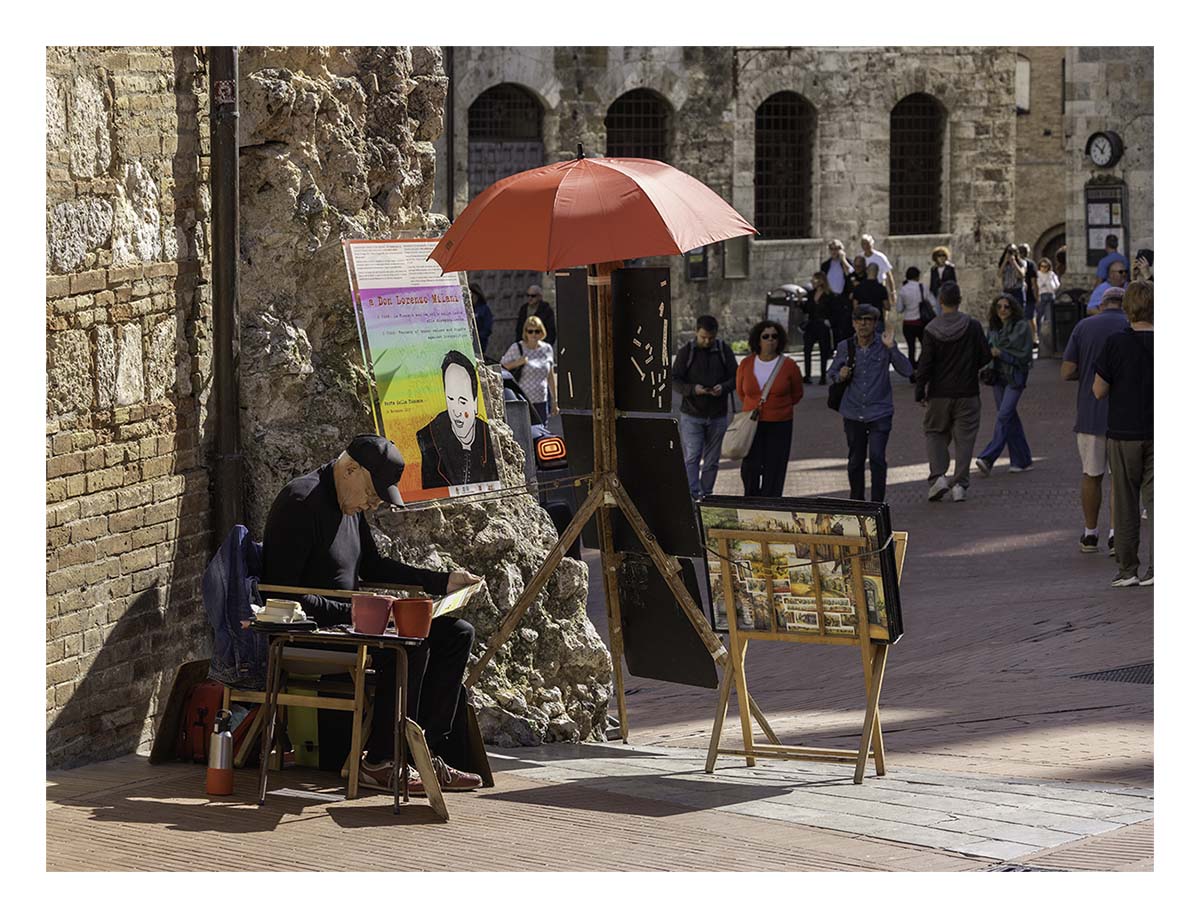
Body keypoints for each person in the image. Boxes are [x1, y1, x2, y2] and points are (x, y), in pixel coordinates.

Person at [261, 435, 484, 793]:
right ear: (350, 469)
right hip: (305, 632)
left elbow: (374, 564)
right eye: (371, 493)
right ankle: (382, 760)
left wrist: (442, 581)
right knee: (410, 645)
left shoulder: (350, 505)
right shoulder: (301, 502)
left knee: (458, 632)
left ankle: (422, 750)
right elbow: (279, 593)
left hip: (353, 625)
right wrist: (365, 613)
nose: (371, 504)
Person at [1093, 281, 1153, 587]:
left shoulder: (1116, 343)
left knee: (1126, 501)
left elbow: (1099, 390)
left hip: (1124, 431)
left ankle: (1128, 568)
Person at [1061, 284, 1129, 554]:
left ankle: (1091, 534)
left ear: (1102, 304)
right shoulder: (1133, 325)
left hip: (1090, 413)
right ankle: (1116, 534)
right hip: (1126, 415)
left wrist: (1089, 374)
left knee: (1092, 475)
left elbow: (1067, 371)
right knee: (1119, 479)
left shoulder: (1083, 327)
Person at [913, 282, 992, 503]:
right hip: (967, 391)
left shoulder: (931, 329)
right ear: (959, 300)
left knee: (934, 432)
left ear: (941, 301)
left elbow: (925, 364)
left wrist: (920, 390)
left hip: (939, 393)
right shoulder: (973, 326)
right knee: (965, 439)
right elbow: (985, 356)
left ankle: (938, 476)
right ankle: (960, 484)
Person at [827, 304, 912, 502]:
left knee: (877, 458)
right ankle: (857, 501)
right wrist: (839, 375)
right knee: (855, 461)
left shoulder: (885, 344)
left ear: (875, 323)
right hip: (853, 412)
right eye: (859, 320)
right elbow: (830, 374)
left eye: (868, 320)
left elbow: (907, 371)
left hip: (880, 411)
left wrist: (892, 348)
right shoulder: (844, 346)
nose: (863, 324)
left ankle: (877, 503)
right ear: (853, 323)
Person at [735, 320, 804, 497]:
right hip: (752, 423)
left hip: (779, 424)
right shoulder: (746, 364)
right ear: (758, 340)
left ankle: (771, 504)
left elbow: (797, 394)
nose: (770, 340)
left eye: (774, 336)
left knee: (774, 468)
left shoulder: (789, 366)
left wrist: (777, 406)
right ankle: (751, 502)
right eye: (765, 336)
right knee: (750, 467)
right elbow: (742, 392)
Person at [671, 315, 737, 500]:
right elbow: (674, 379)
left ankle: (707, 494)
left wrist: (723, 387)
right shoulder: (687, 352)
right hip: (692, 414)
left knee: (712, 460)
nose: (707, 341)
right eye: (703, 337)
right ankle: (692, 494)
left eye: (710, 338)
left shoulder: (724, 350)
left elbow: (736, 377)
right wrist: (693, 389)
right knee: (692, 456)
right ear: (696, 333)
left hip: (717, 414)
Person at [415, 350, 499, 489]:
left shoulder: (490, 438)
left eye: (463, 401)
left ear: (475, 403)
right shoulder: (429, 437)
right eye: (451, 399)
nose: (456, 412)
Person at [973, 294, 1034, 476]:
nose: (1002, 310)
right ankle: (1022, 460)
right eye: (999, 306)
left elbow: (1024, 356)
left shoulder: (1021, 327)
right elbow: (986, 350)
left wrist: (1001, 354)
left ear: (1013, 308)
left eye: (1006, 307)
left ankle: (988, 457)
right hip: (998, 378)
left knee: (1003, 416)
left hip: (1015, 378)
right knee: (1009, 418)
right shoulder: (994, 328)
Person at [501, 315, 558, 422]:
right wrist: (517, 363)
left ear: (542, 332)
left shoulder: (547, 349)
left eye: (537, 331)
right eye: (530, 331)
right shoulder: (517, 348)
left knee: (542, 432)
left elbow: (550, 376)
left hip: (541, 399)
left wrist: (555, 401)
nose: (534, 334)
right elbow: (501, 368)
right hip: (523, 400)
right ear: (525, 332)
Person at [896, 265, 936, 364]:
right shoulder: (923, 288)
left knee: (911, 348)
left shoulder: (903, 290)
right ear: (918, 276)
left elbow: (899, 309)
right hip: (921, 322)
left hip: (908, 323)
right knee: (925, 346)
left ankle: (911, 369)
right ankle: (921, 365)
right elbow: (933, 302)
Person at [803, 272, 836, 384]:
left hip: (822, 324)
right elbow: (807, 309)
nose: (813, 281)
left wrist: (829, 322)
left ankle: (822, 376)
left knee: (823, 351)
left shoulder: (829, 295)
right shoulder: (811, 294)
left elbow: (833, 311)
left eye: (815, 279)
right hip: (812, 324)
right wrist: (800, 302)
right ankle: (807, 375)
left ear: (822, 280)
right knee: (807, 350)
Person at [860, 234, 896, 308]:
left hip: (879, 287)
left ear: (872, 244)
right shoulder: (860, 257)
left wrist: (892, 292)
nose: (865, 246)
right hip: (865, 289)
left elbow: (889, 275)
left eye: (867, 243)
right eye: (863, 244)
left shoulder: (880, 257)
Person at [1034, 257, 1060, 350]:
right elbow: (1038, 285)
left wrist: (1047, 282)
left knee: (1049, 317)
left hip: (1050, 296)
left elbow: (1056, 285)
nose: (1044, 268)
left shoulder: (1051, 274)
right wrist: (1044, 283)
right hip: (1041, 296)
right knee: (1039, 317)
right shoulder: (1037, 274)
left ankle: (1049, 338)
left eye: (1046, 266)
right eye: (1042, 266)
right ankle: (1040, 338)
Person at [997, 243, 1027, 313]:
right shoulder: (1003, 263)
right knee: (1007, 312)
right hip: (1007, 290)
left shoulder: (1022, 262)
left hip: (1017, 290)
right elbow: (999, 274)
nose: (1011, 253)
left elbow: (1021, 275)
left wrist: (1014, 262)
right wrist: (1005, 261)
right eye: (1009, 251)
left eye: (1013, 251)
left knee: (1019, 312)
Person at [469, 282, 493, 355]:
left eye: (471, 296)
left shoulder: (484, 309)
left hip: (480, 345)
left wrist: (478, 338)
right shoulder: (467, 309)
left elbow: (487, 328)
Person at [1017, 243, 1039, 324]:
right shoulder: (1031, 264)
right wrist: (1036, 296)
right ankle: (1034, 336)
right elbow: (1034, 283)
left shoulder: (1016, 264)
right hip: (1029, 295)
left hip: (1019, 293)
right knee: (1031, 318)